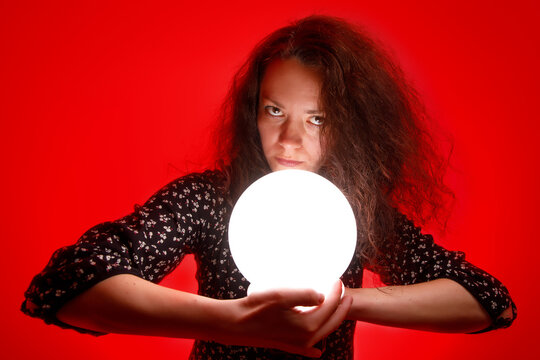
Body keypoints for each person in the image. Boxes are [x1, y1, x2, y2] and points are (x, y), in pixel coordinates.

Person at [21, 15, 516, 359]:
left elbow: (487, 301)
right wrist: (231, 320)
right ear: (252, 112)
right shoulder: (211, 198)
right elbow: (65, 285)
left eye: (317, 118)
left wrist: (345, 302)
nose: (290, 139)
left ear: (351, 125)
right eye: (274, 110)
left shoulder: (350, 213)